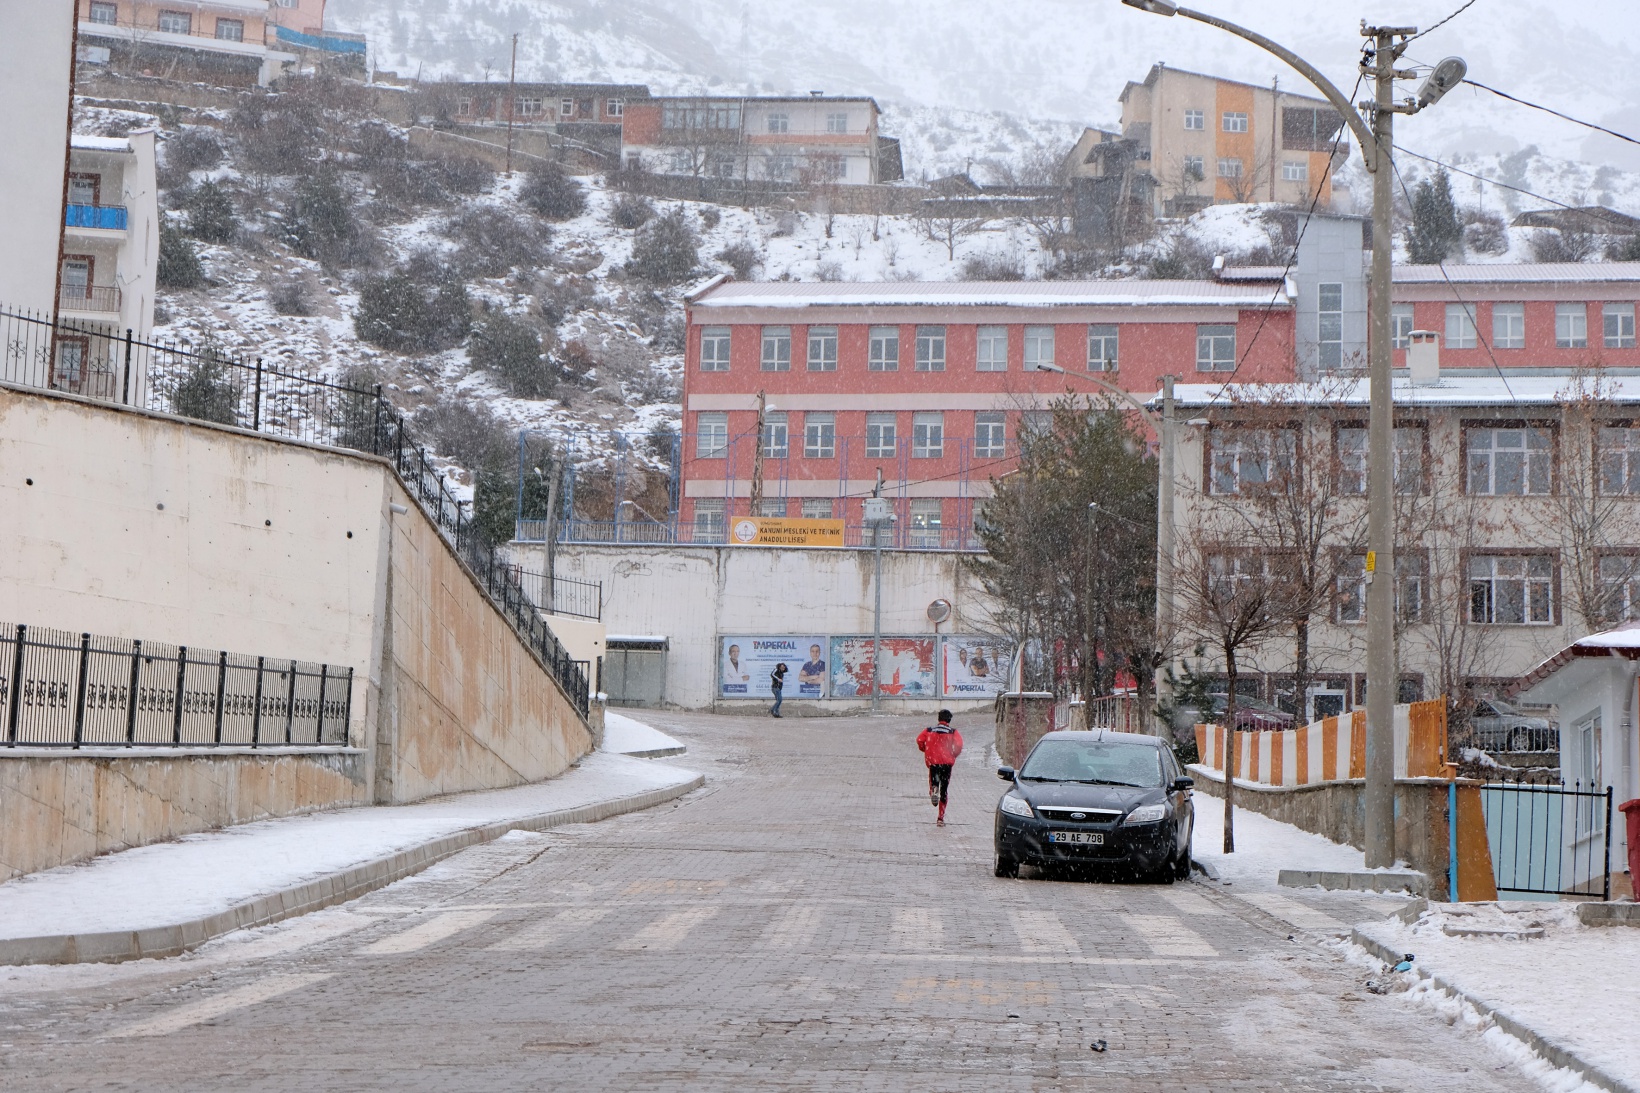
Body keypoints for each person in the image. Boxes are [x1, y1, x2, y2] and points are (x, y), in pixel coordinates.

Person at [916, 709, 963, 827]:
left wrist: (925, 749)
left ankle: (933, 790)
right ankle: (940, 818)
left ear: (938, 719)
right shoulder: (952, 732)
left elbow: (919, 740)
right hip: (947, 763)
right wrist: (953, 754)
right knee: (945, 789)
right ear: (949, 720)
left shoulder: (929, 730)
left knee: (934, 782)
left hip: (934, 762)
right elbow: (959, 744)